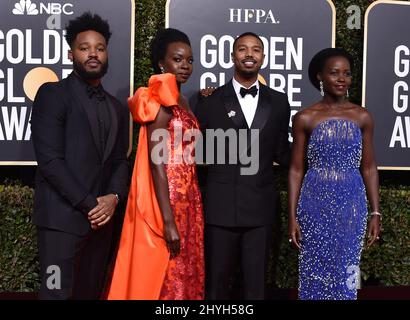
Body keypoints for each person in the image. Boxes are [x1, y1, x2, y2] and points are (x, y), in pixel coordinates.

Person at [31, 12, 129, 299]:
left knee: (90, 294)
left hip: (101, 227)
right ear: (71, 54)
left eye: (99, 48)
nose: (93, 54)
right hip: (61, 223)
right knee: (54, 294)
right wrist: (90, 205)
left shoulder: (117, 107)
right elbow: (50, 161)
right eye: (84, 48)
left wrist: (113, 198)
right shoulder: (52, 94)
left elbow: (121, 160)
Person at [107, 28, 204, 300]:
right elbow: (156, 163)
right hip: (168, 199)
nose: (185, 65)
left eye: (190, 60)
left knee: (185, 273)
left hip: (189, 199)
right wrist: (168, 220)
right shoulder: (160, 102)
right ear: (161, 63)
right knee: (165, 275)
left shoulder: (184, 100)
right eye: (178, 59)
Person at [195, 32, 291, 299]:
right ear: (232, 56)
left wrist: (318, 159)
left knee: (256, 288)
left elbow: (283, 152)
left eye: (256, 50)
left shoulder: (280, 101)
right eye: (242, 49)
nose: (249, 54)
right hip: (220, 209)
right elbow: (195, 152)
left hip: (260, 209)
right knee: (215, 287)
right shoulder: (209, 100)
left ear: (264, 57)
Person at [288, 48, 381, 300]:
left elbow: (369, 168)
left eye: (347, 74)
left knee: (347, 270)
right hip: (313, 204)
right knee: (313, 270)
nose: (342, 79)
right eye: (334, 73)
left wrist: (375, 212)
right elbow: (296, 169)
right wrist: (292, 216)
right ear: (320, 76)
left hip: (352, 204)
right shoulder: (305, 117)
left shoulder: (362, 116)